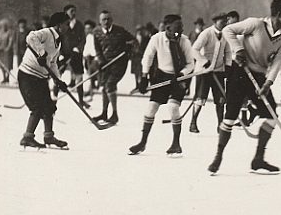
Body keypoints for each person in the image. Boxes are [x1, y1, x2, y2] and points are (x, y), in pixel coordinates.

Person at [207, 0, 281, 176]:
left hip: (259, 76)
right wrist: (238, 50)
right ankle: (218, 156)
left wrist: (268, 83)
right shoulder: (255, 24)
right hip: (239, 73)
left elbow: (278, 62)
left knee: (271, 116)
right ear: (279, 14)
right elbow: (228, 30)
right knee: (230, 117)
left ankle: (258, 159)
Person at [129, 14, 196, 156]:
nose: (180, 31)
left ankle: (176, 144)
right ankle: (142, 142)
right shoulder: (157, 38)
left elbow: (191, 63)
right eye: (177, 28)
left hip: (178, 79)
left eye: (182, 27)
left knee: (173, 107)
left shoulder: (184, 41)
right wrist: (144, 77)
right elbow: (147, 57)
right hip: (161, 77)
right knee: (151, 109)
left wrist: (182, 74)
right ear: (168, 27)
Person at [17, 11, 72, 149]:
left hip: (40, 77)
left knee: (49, 107)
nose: (68, 27)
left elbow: (52, 62)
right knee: (37, 107)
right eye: (66, 24)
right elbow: (30, 37)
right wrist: (41, 52)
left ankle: (49, 136)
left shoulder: (58, 41)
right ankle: (27, 137)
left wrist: (58, 80)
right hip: (27, 76)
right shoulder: (47, 33)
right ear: (59, 25)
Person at [92, 10, 135, 126]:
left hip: (119, 63)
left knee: (109, 85)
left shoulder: (120, 31)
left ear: (112, 20)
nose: (106, 21)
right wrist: (101, 61)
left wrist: (128, 50)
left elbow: (134, 41)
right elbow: (97, 49)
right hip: (105, 63)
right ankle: (104, 113)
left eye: (108, 19)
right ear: (100, 21)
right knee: (104, 87)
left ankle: (115, 114)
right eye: (104, 19)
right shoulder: (96, 32)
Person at [189, 13, 228, 132]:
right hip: (204, 72)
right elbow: (194, 49)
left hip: (218, 71)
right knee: (200, 99)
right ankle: (193, 123)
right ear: (215, 22)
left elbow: (228, 52)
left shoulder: (227, 34)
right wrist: (204, 62)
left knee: (221, 99)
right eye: (222, 22)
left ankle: (220, 125)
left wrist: (228, 66)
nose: (224, 25)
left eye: (225, 22)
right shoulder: (206, 33)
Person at [58, 4, 87, 107]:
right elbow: (58, 39)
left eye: (75, 11)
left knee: (79, 76)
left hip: (76, 54)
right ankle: (53, 98)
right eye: (71, 11)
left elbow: (83, 39)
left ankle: (81, 100)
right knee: (57, 74)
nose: (74, 13)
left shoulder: (79, 25)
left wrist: (78, 48)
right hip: (64, 54)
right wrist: (60, 53)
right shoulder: (62, 24)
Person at [82, 20, 98, 99]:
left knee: (92, 73)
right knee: (89, 74)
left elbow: (94, 49)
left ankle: (91, 91)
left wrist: (91, 55)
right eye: (86, 29)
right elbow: (86, 48)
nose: (87, 30)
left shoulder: (95, 37)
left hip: (94, 58)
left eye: (89, 28)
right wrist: (85, 55)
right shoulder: (88, 37)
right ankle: (90, 89)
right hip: (87, 58)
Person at [0, 18, 14, 84]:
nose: (4, 26)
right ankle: (4, 77)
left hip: (7, 51)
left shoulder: (9, 32)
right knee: (2, 64)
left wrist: (8, 48)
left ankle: (7, 77)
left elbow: (10, 41)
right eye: (2, 25)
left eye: (5, 25)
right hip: (1, 50)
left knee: (8, 64)